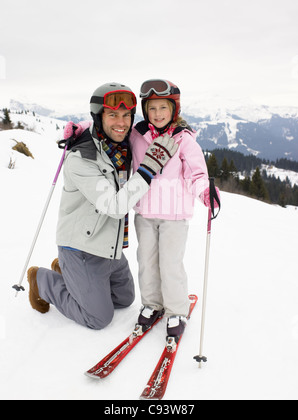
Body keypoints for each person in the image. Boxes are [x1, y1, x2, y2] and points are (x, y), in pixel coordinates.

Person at [64, 79, 220, 342]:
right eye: (152, 108)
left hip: (174, 216)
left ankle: (176, 310)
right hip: (145, 213)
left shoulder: (184, 140)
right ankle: (151, 303)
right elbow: (109, 126)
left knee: (170, 264)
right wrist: (81, 130)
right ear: (146, 111)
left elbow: (196, 173)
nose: (158, 114)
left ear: (174, 110)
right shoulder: (137, 135)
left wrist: (204, 191)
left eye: (164, 108)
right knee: (146, 262)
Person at [27, 82, 178, 330]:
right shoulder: (81, 159)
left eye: (126, 115)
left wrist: (177, 125)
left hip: (107, 245)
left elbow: (154, 128)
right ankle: (43, 281)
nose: (122, 122)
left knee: (125, 298)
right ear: (99, 117)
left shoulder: (122, 144)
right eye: (113, 115)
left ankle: (69, 275)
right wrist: (148, 168)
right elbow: (115, 206)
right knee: (98, 317)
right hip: (81, 247)